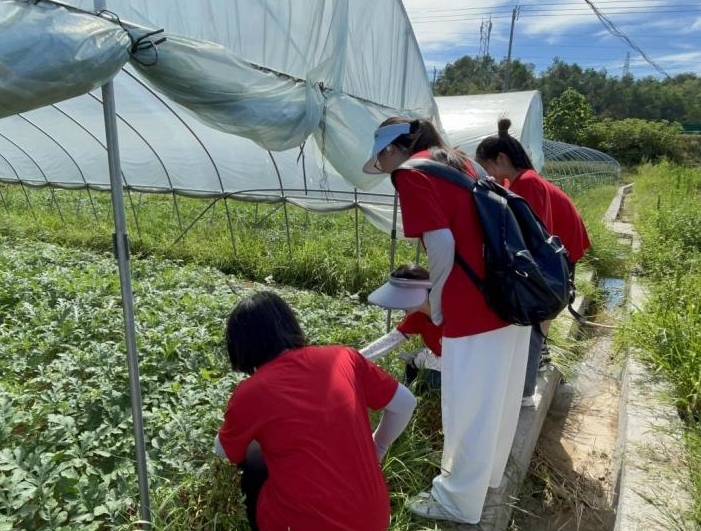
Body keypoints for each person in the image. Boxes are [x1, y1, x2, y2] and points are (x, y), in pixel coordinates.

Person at [362, 118, 530, 524]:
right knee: (497, 403)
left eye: (380, 161)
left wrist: (437, 301)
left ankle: (457, 502)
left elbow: (440, 242)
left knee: (468, 407)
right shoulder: (461, 163)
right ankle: (485, 481)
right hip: (510, 298)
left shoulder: (411, 172)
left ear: (390, 150)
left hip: (473, 308)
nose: (383, 170)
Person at [214, 291, 416, 531]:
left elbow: (224, 451)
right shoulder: (344, 357)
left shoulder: (251, 391)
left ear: (241, 346)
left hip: (307, 523)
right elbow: (405, 403)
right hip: (373, 519)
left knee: (255, 459)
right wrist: (377, 449)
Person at [475, 118, 592, 407]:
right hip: (563, 244)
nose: (487, 175)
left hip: (561, 249)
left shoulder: (525, 182)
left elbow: (537, 235)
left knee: (539, 306)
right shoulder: (522, 179)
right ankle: (537, 355)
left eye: (486, 167)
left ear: (500, 159)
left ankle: (531, 372)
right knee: (540, 307)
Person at [360, 264, 442, 392]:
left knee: (429, 377)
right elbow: (391, 340)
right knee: (414, 363)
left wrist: (424, 361)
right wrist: (356, 358)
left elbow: (460, 360)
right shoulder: (418, 315)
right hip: (440, 359)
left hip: (463, 371)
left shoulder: (451, 316)